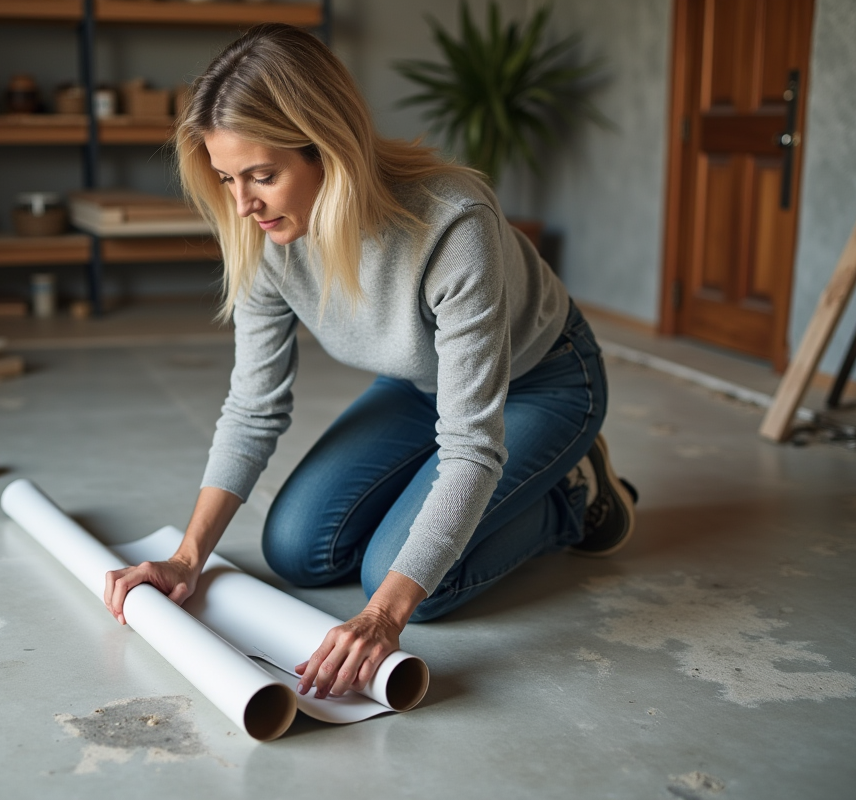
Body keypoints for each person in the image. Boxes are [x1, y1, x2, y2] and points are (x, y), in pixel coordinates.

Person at [104, 23, 637, 703]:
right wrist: (187, 559)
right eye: (227, 178)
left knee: (410, 580)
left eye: (263, 176)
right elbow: (253, 406)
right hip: (420, 382)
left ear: (328, 149)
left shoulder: (452, 225)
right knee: (299, 551)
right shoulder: (267, 237)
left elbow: (472, 443)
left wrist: (384, 614)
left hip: (541, 382)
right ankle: (472, 498)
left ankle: (572, 495)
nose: (242, 205)